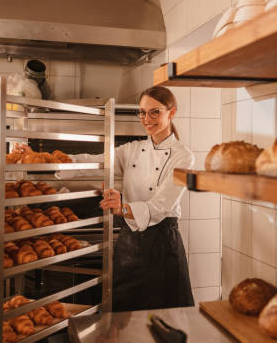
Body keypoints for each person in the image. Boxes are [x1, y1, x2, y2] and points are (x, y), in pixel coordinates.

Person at [58, 86, 194, 311]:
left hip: (162, 246)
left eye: (154, 112)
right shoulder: (131, 150)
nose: (146, 119)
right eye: (142, 112)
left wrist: (123, 208)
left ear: (171, 113)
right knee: (122, 320)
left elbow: (161, 206)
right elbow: (94, 164)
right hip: (129, 245)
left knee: (168, 319)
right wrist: (50, 159)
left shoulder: (183, 156)